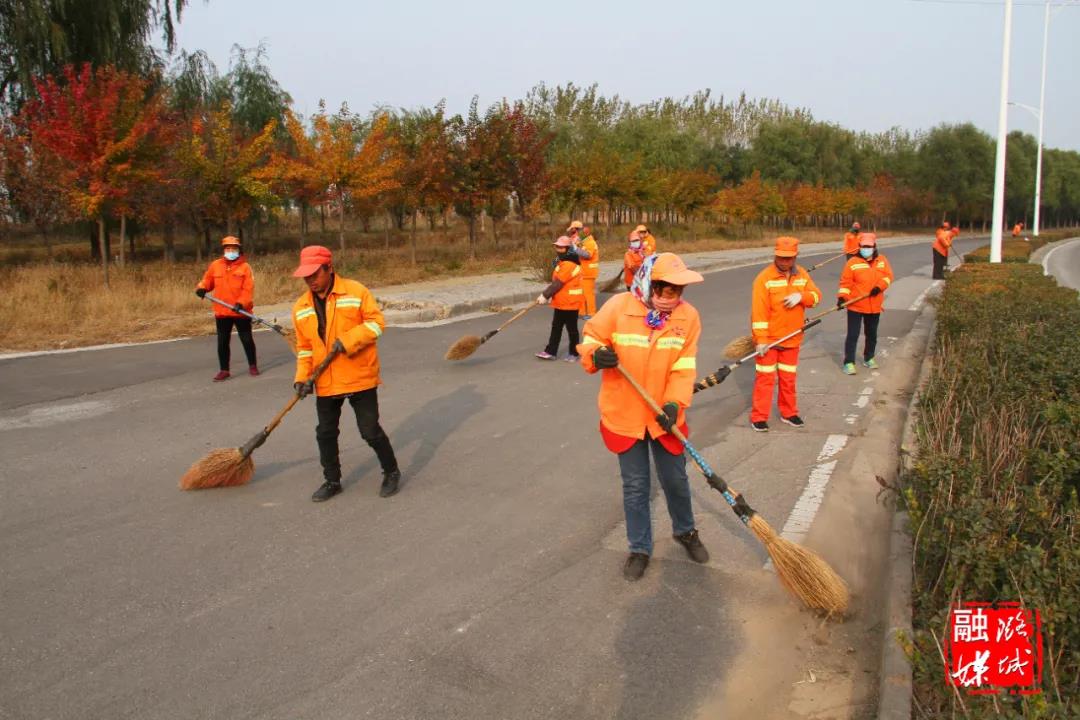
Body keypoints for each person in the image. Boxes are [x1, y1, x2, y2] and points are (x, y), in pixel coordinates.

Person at [577, 252, 708, 581]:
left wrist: (675, 404)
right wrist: (597, 355)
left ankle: (686, 531)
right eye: (665, 290)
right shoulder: (619, 307)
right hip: (625, 414)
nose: (672, 298)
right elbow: (591, 338)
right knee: (636, 487)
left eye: (678, 291)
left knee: (675, 480)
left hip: (664, 415)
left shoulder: (688, 317)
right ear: (649, 284)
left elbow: (684, 367)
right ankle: (639, 548)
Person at [290, 245, 401, 502]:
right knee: (325, 433)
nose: (310, 281)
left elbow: (376, 324)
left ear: (329, 268)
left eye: (315, 274)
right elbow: (305, 348)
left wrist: (349, 340)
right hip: (325, 378)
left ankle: (391, 471)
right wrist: (301, 378)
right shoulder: (301, 307)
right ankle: (332, 480)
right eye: (306, 276)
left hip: (358, 374)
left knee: (369, 430)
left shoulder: (356, 291)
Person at [749, 236, 821, 432]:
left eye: (788, 258)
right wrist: (761, 340)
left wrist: (802, 297)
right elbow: (759, 313)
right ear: (775, 255)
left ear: (796, 256)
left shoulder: (802, 275)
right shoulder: (764, 279)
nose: (784, 262)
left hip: (792, 338)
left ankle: (789, 413)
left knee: (788, 379)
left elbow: (816, 297)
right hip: (770, 340)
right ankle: (759, 417)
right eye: (781, 257)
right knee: (765, 380)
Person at [194, 235, 258, 382]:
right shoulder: (215, 265)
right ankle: (224, 370)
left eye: (233, 248)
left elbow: (248, 290)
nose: (231, 251)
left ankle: (253, 365)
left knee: (246, 339)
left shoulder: (245, 267)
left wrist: (241, 303)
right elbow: (207, 280)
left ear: (239, 250)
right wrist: (202, 288)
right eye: (228, 248)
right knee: (222, 342)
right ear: (224, 250)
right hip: (222, 311)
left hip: (240, 311)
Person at [837, 233, 894, 375]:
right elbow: (845, 283)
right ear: (859, 247)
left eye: (869, 246)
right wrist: (842, 298)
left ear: (874, 247)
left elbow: (888, 277)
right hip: (855, 305)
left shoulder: (882, 260)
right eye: (863, 246)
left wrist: (879, 287)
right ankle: (849, 362)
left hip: (874, 305)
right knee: (853, 335)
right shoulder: (852, 262)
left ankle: (869, 357)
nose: (866, 249)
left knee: (872, 334)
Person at [535, 236, 584, 361]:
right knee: (556, 327)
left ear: (568, 249)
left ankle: (574, 353)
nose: (558, 249)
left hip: (571, 302)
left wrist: (544, 295)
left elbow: (558, 283)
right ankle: (551, 351)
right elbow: (555, 271)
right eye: (557, 246)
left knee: (571, 329)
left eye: (561, 247)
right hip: (561, 301)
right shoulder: (562, 261)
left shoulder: (569, 264)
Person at [578, 224, 600, 320]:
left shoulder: (590, 243)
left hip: (588, 273)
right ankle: (581, 312)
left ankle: (591, 313)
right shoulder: (585, 243)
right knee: (582, 293)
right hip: (584, 272)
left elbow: (587, 255)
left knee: (588, 294)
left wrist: (575, 249)